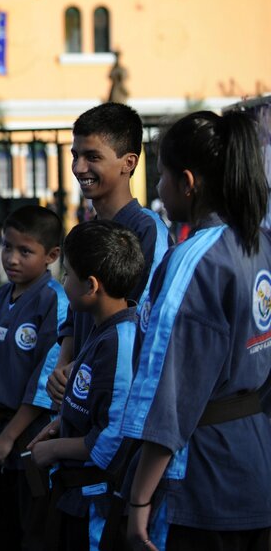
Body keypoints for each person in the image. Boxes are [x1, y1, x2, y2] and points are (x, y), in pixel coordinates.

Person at [121, 111, 271, 551]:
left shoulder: (195, 259)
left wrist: (138, 501)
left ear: (188, 181)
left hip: (204, 482)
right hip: (256, 466)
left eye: (162, 175)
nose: (158, 188)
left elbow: (171, 392)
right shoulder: (260, 244)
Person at [28, 221, 144, 551]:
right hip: (74, 499)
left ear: (91, 286)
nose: (62, 281)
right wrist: (60, 426)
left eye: (67, 274)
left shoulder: (119, 342)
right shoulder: (101, 331)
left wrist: (54, 450)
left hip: (97, 508)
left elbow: (112, 438)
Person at [48, 103, 171, 403]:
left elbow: (137, 320)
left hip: (118, 395)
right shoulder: (90, 227)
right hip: (82, 388)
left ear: (128, 162)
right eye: (75, 156)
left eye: (93, 157)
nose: (78, 168)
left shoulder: (148, 230)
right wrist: (64, 366)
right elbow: (74, 315)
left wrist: (84, 366)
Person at [0, 204, 66, 551]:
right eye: (7, 246)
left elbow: (44, 380)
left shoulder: (54, 301)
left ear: (51, 255)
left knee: (34, 533)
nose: (12, 258)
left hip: (29, 438)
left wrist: (10, 438)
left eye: (25, 251)